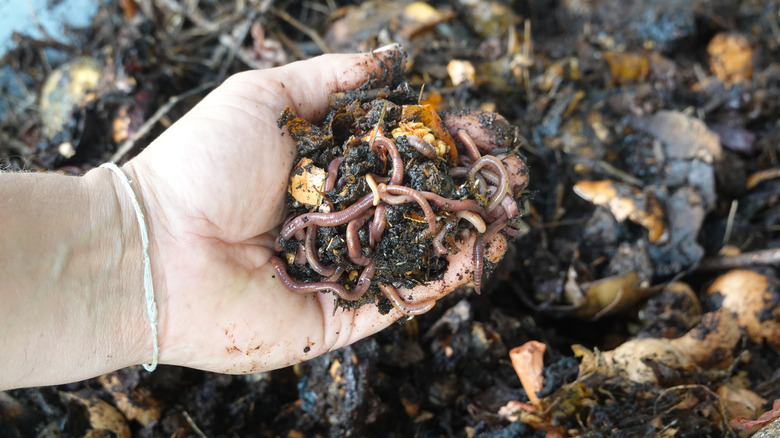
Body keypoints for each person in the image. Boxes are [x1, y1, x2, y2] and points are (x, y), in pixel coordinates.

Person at [0, 45, 509, 390]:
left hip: (349, 218)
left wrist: (139, 226)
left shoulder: (347, 225)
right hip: (326, 226)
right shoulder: (317, 232)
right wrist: (145, 221)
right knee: (366, 236)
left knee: (414, 228)